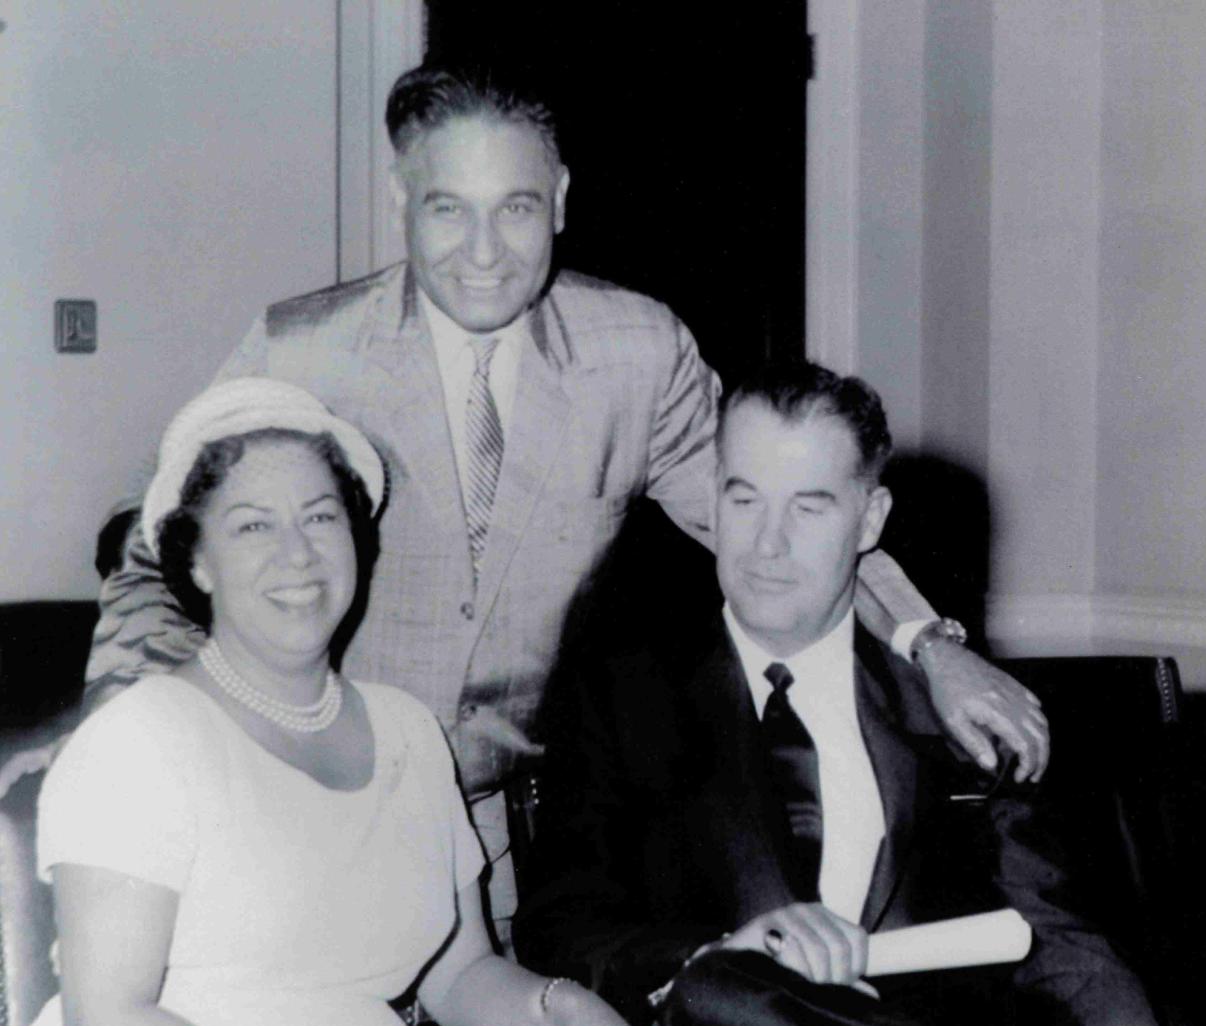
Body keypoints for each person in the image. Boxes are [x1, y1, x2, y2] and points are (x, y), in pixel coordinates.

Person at [71, 65, 1046, 939]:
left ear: (563, 201)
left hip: (500, 851)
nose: (484, 251)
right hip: (295, 812)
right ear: (401, 201)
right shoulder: (302, 350)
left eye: (518, 208)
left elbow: (785, 521)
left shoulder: (639, 352)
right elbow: (156, 544)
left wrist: (931, 643)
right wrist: (129, 741)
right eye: (448, 209)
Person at [513, 364, 1168, 1026]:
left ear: (871, 519)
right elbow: (562, 921)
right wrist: (716, 952)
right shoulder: (620, 693)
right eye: (744, 501)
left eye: (809, 507)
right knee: (717, 992)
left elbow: (1051, 929)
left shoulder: (957, 711)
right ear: (713, 499)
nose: (767, 544)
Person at [10, 378, 658, 1026]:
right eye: (253, 525)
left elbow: (458, 974)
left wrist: (573, 1011)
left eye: (320, 517)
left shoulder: (409, 733)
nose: (298, 554)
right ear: (196, 560)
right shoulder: (142, 739)